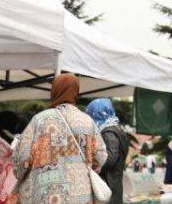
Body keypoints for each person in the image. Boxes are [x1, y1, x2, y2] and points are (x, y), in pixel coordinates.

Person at [12, 73, 108, 204]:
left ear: (54, 91)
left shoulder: (39, 120)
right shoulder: (87, 121)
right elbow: (100, 156)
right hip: (81, 195)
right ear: (76, 92)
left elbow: (22, 159)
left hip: (46, 194)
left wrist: (21, 173)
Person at [86, 98, 128, 204]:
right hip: (114, 185)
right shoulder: (118, 129)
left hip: (108, 185)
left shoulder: (108, 132)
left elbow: (110, 158)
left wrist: (93, 166)